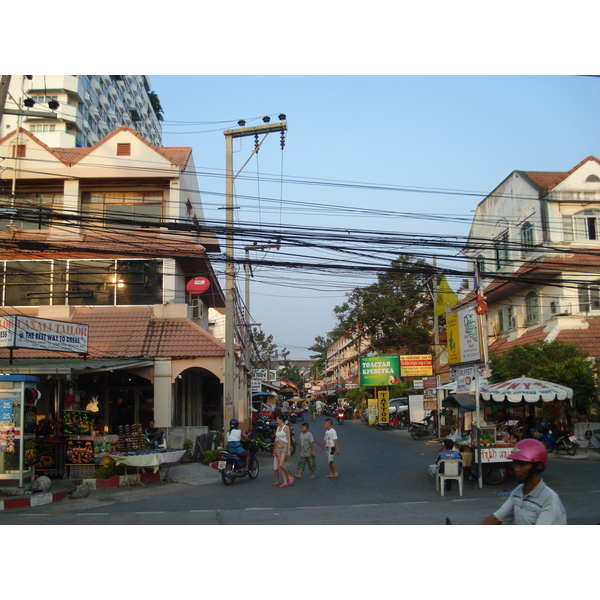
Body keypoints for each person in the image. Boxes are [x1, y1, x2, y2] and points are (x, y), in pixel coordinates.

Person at [480, 438, 567, 525]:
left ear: (538, 466)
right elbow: (497, 518)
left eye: (522, 464)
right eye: (515, 464)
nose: (516, 469)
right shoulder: (518, 492)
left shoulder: (549, 499)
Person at [275, 414, 294, 487]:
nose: (277, 421)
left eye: (277, 419)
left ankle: (289, 475)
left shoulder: (286, 428)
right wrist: (276, 449)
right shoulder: (277, 428)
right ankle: (285, 481)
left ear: (281, 419)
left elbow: (289, 439)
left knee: (281, 464)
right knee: (281, 465)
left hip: (284, 446)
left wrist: (289, 449)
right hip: (279, 446)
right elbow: (277, 439)